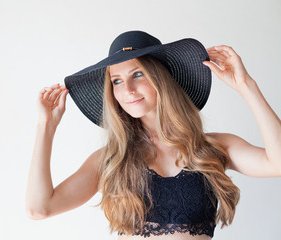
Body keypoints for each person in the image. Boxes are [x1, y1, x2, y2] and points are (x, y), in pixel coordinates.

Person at [25, 30, 281, 240]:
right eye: (117, 81)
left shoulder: (213, 147)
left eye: (138, 74)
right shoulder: (110, 159)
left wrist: (247, 87)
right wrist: (45, 126)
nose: (128, 89)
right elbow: (39, 208)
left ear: (161, 78)